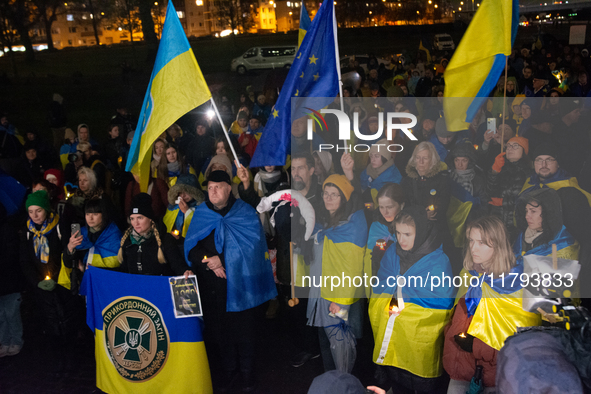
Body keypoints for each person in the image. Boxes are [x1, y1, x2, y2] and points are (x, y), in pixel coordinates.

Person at [183, 170, 277, 392]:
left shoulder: (244, 211)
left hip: (241, 287)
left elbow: (254, 248)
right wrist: (208, 261)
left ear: (228, 188)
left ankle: (247, 376)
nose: (212, 191)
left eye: (218, 186)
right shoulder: (202, 212)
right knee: (220, 334)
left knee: (245, 334)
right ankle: (229, 374)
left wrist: (222, 259)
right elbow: (191, 246)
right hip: (213, 289)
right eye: (210, 187)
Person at [443, 216, 541, 393]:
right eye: (471, 241)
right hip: (462, 369)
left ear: (497, 245)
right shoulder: (476, 276)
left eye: (482, 243)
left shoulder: (516, 288)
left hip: (493, 379)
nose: (473, 248)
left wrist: (475, 346)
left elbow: (519, 345)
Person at [369, 206, 454, 393]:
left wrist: (403, 309)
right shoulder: (392, 253)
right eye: (398, 233)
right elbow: (382, 285)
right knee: (398, 384)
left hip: (418, 345)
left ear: (421, 232)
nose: (401, 239)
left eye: (407, 234)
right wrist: (391, 303)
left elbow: (441, 306)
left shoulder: (438, 262)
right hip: (395, 339)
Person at [307, 174, 367, 374]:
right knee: (326, 339)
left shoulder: (351, 228)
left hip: (339, 298)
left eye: (335, 195)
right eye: (326, 193)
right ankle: (331, 380)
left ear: (344, 198)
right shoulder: (323, 223)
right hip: (322, 293)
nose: (329, 198)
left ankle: (342, 382)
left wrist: (341, 302)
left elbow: (351, 269)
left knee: (341, 341)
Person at [19, 190, 80, 372]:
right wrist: (37, 281)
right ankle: (57, 360)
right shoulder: (28, 231)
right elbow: (24, 260)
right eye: (31, 212)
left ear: (46, 209)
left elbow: (63, 254)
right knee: (50, 322)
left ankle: (71, 358)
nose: (35, 216)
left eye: (38, 211)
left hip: (60, 282)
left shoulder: (59, 226)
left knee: (65, 319)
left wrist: (54, 278)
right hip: (40, 285)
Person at [61, 198, 122, 291]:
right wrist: (70, 248)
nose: (90, 218)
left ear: (104, 214)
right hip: (85, 284)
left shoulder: (113, 235)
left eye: (95, 214)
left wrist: (84, 269)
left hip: (108, 287)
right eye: (87, 214)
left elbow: (116, 267)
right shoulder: (82, 234)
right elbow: (68, 264)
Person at [118, 193, 181, 276]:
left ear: (150, 219)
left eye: (140, 218)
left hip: (160, 287)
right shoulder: (127, 242)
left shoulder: (165, 240)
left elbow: (178, 266)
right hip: (136, 287)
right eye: (132, 219)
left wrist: (186, 272)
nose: (136, 223)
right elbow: (123, 272)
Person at [400, 142, 450, 242]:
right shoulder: (406, 181)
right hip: (412, 230)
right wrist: (422, 215)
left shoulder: (442, 180)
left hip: (436, 232)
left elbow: (441, 207)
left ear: (432, 160)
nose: (421, 162)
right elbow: (404, 207)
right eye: (418, 157)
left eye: (425, 158)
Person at [514, 188, 579, 263]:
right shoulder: (522, 237)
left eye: (533, 211)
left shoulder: (563, 243)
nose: (527, 216)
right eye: (526, 211)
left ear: (547, 213)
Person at [486, 136, 530, 241]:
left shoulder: (528, 173)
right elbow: (489, 191)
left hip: (517, 225)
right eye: (508, 146)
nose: (510, 149)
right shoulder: (501, 168)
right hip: (497, 222)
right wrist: (494, 171)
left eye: (515, 146)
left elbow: (527, 199)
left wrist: (504, 202)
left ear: (524, 151)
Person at [358, 139, 402, 207]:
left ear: (385, 157)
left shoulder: (393, 176)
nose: (373, 160)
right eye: (371, 156)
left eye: (376, 156)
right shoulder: (368, 171)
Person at [163, 174, 204, 239]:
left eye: (186, 192)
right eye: (180, 193)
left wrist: (187, 212)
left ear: (194, 192)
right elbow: (166, 224)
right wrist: (170, 234)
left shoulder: (202, 207)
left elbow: (200, 228)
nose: (182, 196)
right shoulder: (173, 206)